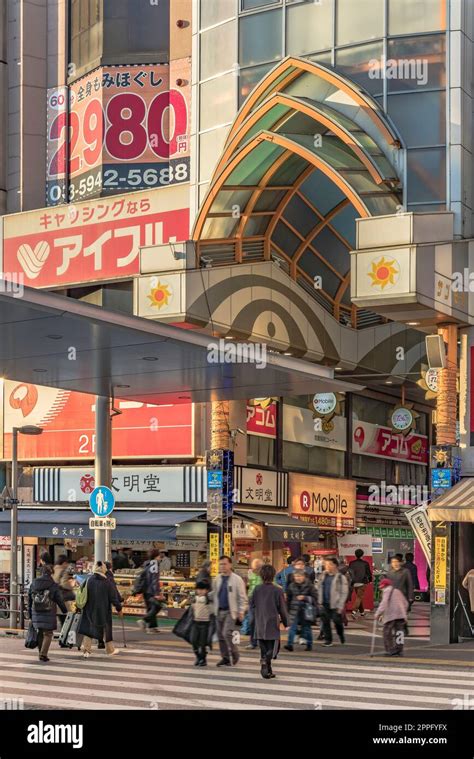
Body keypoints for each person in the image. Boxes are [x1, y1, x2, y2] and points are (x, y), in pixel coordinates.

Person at [250, 564, 289, 679]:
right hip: (272, 622)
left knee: (264, 647)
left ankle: (268, 670)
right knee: (274, 649)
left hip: (259, 622)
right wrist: (287, 623)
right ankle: (264, 662)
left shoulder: (257, 589)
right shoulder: (277, 590)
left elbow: (252, 605)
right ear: (273, 575)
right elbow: (282, 608)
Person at [78, 561, 123, 658]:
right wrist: (119, 609)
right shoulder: (107, 582)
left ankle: (86, 650)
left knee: (88, 629)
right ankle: (110, 650)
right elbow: (113, 598)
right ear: (103, 569)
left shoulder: (89, 580)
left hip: (89, 608)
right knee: (107, 629)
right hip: (104, 609)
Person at [212, 555, 247, 667]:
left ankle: (234, 653)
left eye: (224, 564)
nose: (222, 566)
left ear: (230, 565)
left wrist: (241, 611)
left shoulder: (237, 579)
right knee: (220, 636)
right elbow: (213, 594)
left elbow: (243, 598)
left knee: (226, 633)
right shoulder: (217, 579)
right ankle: (225, 658)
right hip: (219, 611)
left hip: (231, 611)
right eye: (220, 564)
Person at [28, 564, 67, 663]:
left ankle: (40, 653)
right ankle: (43, 654)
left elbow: (29, 600)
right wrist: (64, 610)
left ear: (41, 573)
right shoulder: (53, 585)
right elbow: (59, 599)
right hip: (48, 611)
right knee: (48, 633)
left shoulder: (34, 583)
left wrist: (29, 613)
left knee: (40, 632)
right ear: (51, 574)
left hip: (36, 611)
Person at [316, 557, 348, 647]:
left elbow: (344, 592)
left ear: (335, 565)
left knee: (337, 621)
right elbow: (318, 587)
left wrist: (340, 605)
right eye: (326, 564)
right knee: (325, 622)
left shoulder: (341, 577)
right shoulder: (323, 575)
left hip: (335, 604)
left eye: (330, 564)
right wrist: (319, 601)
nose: (327, 566)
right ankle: (328, 640)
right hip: (324, 603)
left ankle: (340, 634)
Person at [284, 568, 318, 652]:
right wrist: (286, 610)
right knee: (292, 627)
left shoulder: (309, 585)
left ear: (303, 576)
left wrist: (305, 597)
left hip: (306, 610)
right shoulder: (291, 585)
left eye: (299, 576)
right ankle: (289, 644)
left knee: (306, 628)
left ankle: (309, 644)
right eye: (296, 576)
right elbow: (288, 599)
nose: (297, 578)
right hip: (294, 610)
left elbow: (315, 597)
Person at [376, 578, 408, 657]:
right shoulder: (398, 591)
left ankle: (390, 650)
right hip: (400, 616)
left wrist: (378, 613)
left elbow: (384, 603)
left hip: (391, 616)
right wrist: (403, 612)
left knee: (387, 633)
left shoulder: (387, 591)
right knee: (399, 633)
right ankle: (399, 650)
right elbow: (406, 603)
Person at [136, 549, 162, 633]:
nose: (160, 558)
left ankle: (152, 627)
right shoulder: (155, 565)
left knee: (151, 608)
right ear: (156, 556)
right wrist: (156, 593)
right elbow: (155, 579)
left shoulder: (147, 564)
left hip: (145, 590)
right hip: (151, 590)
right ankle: (143, 621)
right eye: (159, 556)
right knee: (157, 606)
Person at [190, 581, 214, 666]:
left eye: (202, 589)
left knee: (202, 643)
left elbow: (212, 611)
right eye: (198, 589)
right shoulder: (194, 599)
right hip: (195, 622)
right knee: (193, 641)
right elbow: (192, 609)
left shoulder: (208, 600)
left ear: (206, 590)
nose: (200, 591)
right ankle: (198, 657)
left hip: (205, 623)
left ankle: (203, 659)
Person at [349, 549, 372, 619]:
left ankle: (362, 612)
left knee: (359, 597)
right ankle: (354, 611)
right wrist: (370, 580)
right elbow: (368, 573)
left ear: (355, 555)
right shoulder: (365, 563)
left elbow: (350, 573)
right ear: (362, 555)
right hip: (362, 582)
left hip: (354, 582)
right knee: (359, 597)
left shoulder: (351, 563)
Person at [53, 555, 76, 625]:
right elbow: (65, 584)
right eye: (67, 563)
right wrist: (72, 585)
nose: (67, 565)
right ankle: (65, 633)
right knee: (66, 618)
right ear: (63, 563)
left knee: (61, 617)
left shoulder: (53, 569)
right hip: (63, 598)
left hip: (55, 597)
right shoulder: (63, 571)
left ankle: (63, 633)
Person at [245, 558, 263, 650]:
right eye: (253, 568)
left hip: (262, 600)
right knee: (252, 621)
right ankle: (253, 642)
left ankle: (261, 641)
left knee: (261, 622)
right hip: (252, 600)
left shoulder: (265, 575)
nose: (254, 570)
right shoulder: (250, 574)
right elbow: (248, 586)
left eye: (256, 568)